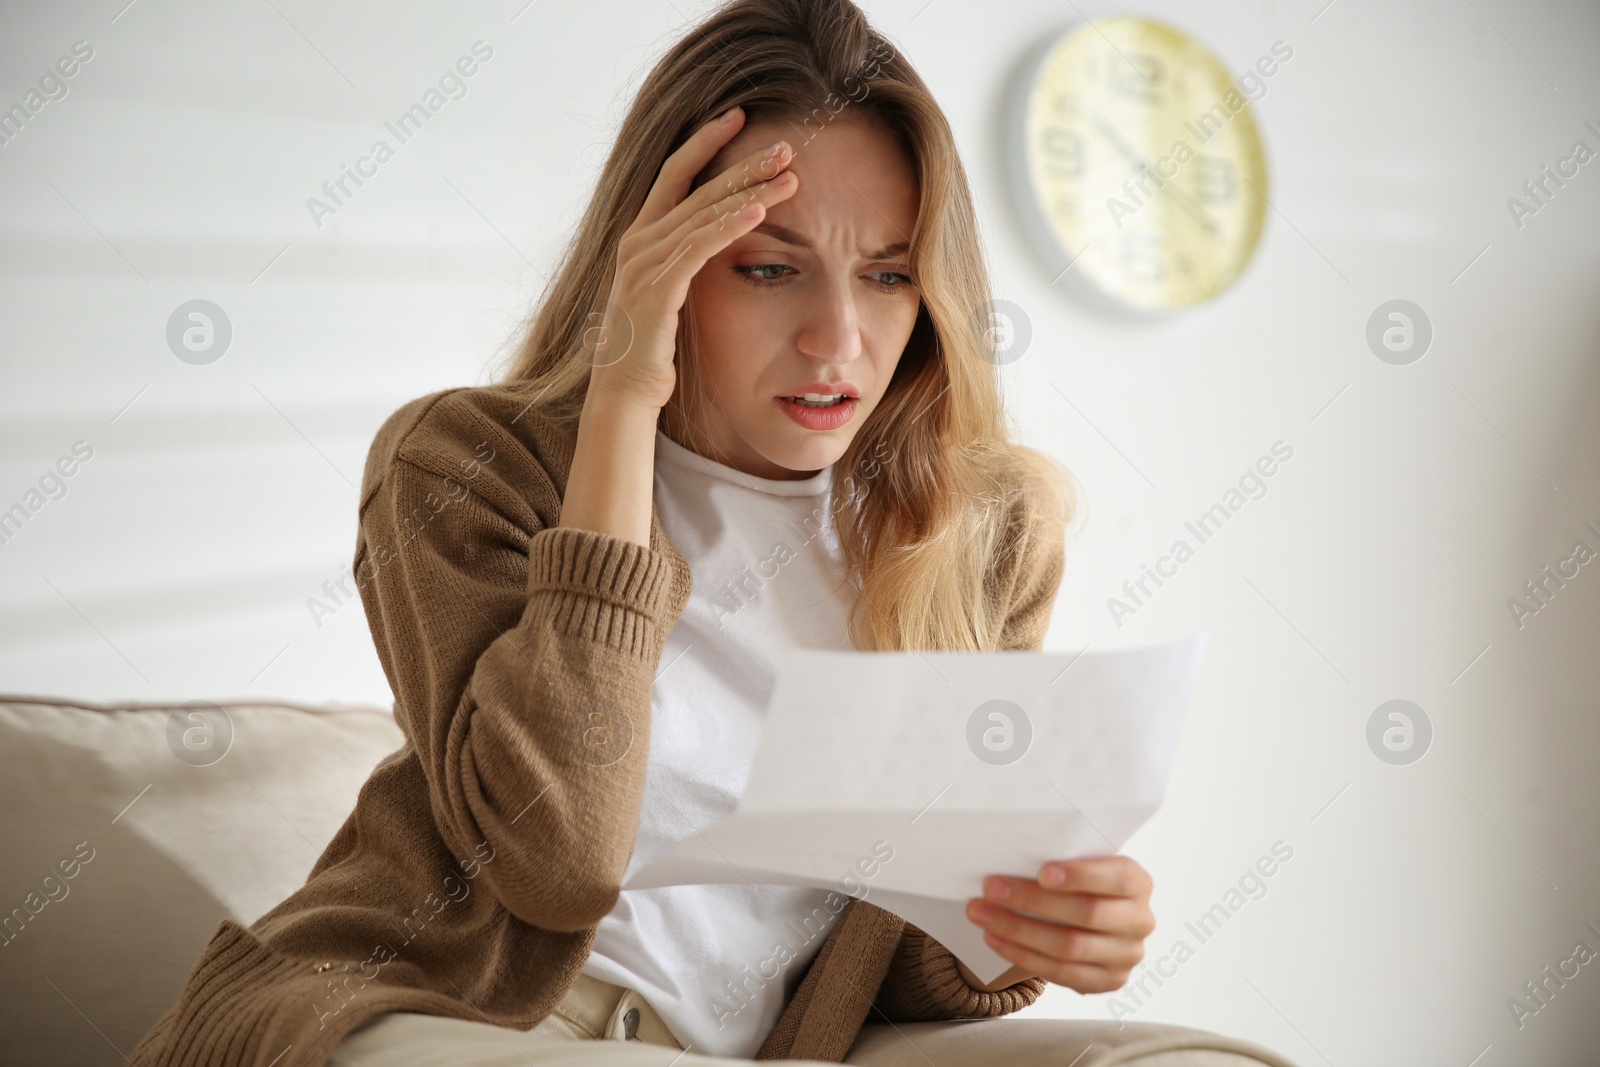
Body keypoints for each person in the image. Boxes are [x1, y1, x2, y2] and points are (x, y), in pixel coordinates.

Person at [130, 1, 1175, 1065]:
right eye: (768, 267)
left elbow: (875, 949)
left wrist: (1016, 930)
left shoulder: (982, 532)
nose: (837, 339)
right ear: (656, 256)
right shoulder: (462, 467)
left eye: (889, 273)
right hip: (433, 1015)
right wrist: (624, 394)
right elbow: (556, 858)